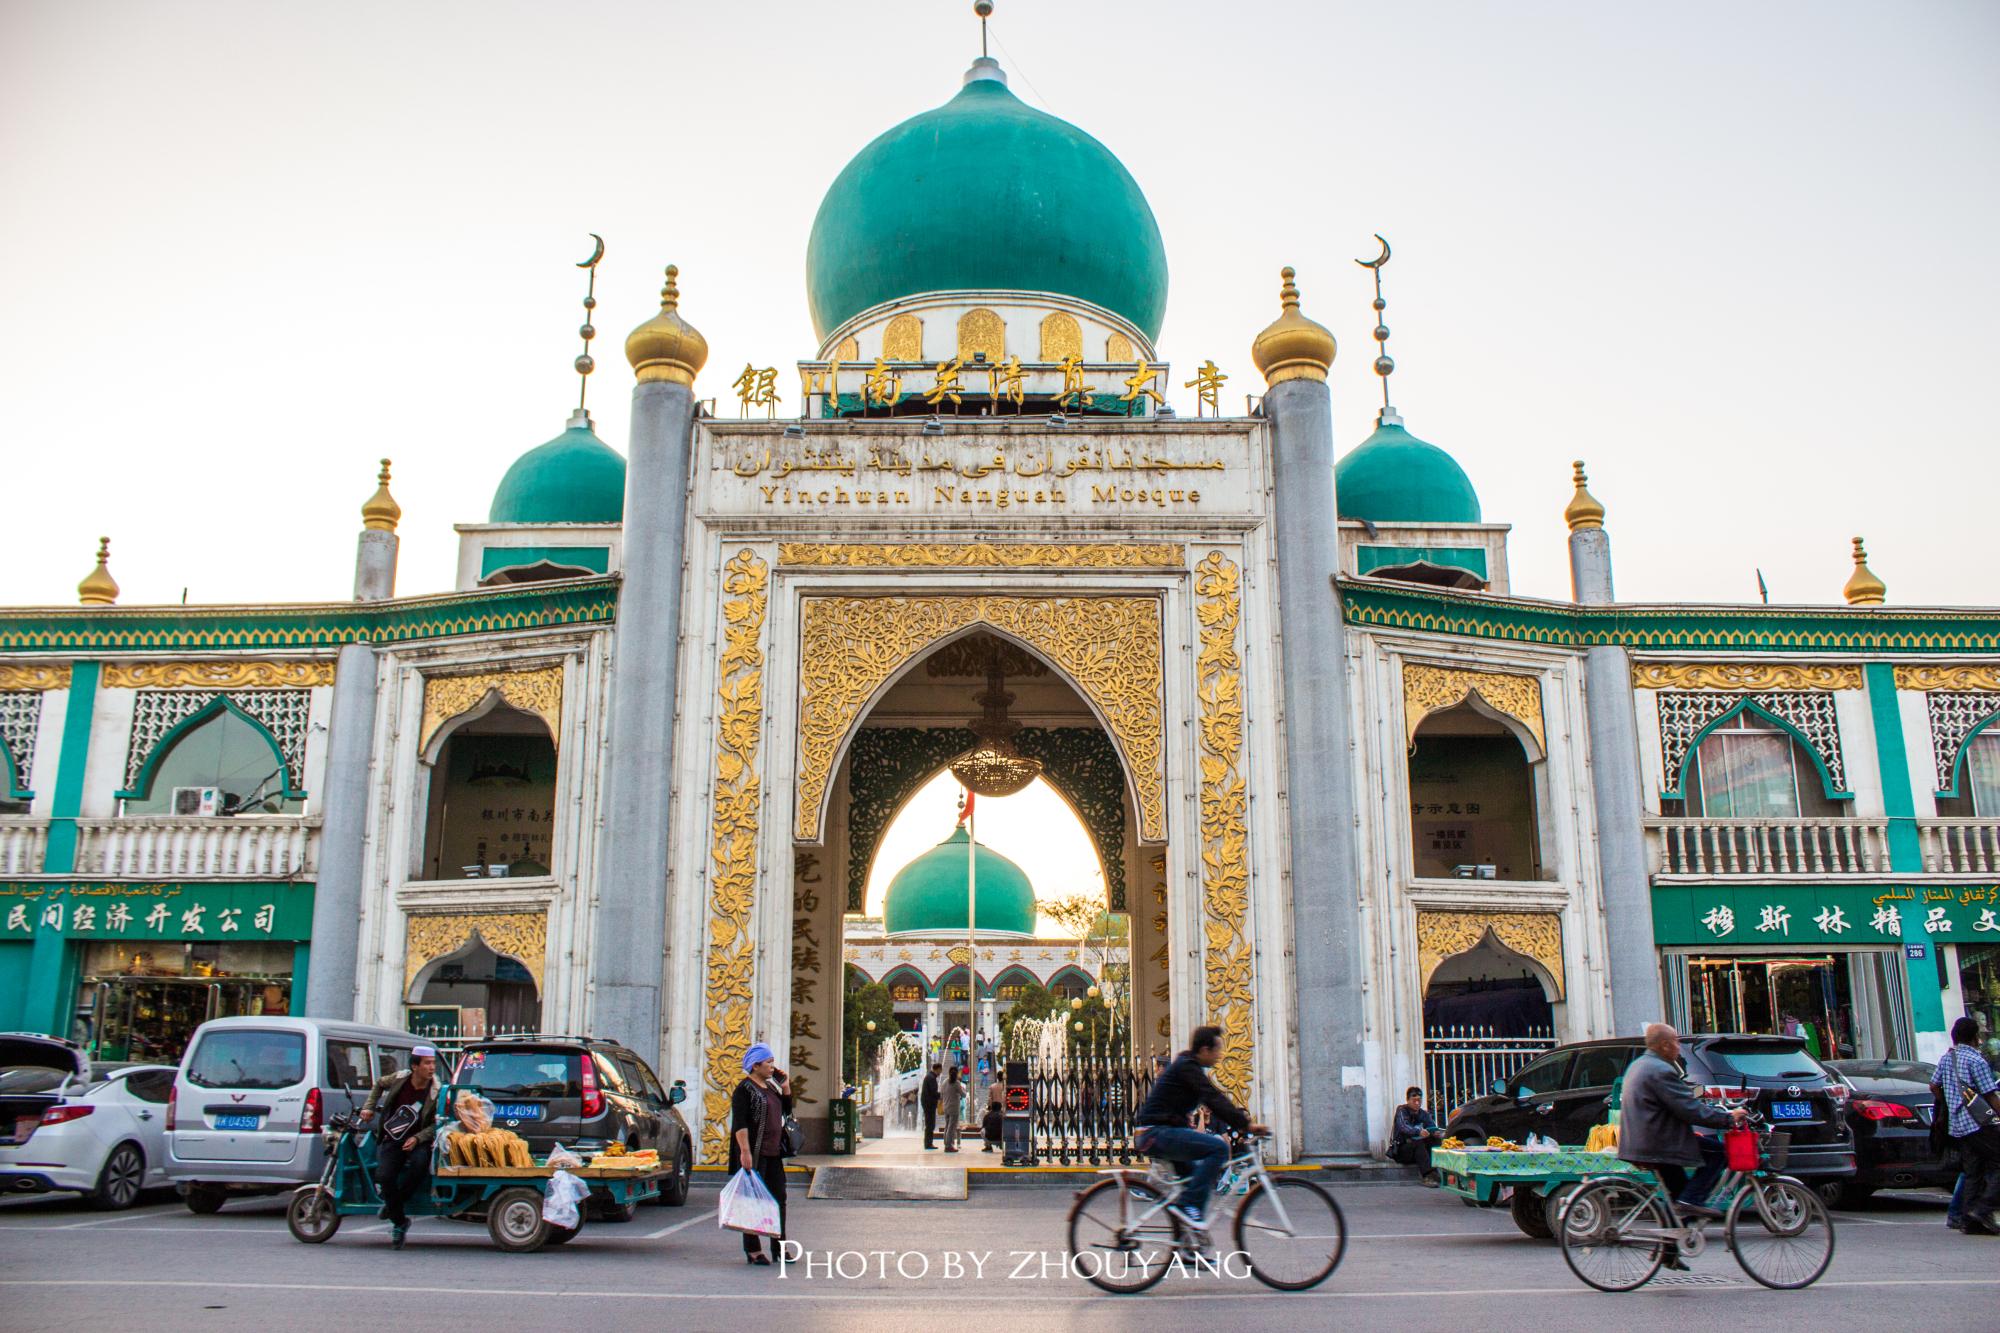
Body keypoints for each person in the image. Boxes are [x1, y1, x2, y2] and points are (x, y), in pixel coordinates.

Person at [1618, 1023, 1747, 1269]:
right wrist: (1727, 1118)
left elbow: (1680, 1097)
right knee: (1717, 1152)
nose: (1678, 1047)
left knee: (1677, 1192)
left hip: (1646, 1140)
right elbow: (1688, 1108)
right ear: (1665, 1045)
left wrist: (1706, 1100)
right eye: (1676, 1042)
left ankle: (1668, 1250)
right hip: (1659, 1143)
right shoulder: (1661, 1070)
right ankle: (1692, 1202)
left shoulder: (1642, 1065)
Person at [1133, 1026, 1268, 1238]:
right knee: (1218, 1148)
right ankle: (1189, 1208)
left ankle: (1187, 1244)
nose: (1219, 1055)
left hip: (1159, 1132)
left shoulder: (1187, 1066)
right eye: (1217, 1050)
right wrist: (1246, 1125)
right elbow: (1213, 1098)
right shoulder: (1188, 1067)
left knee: (1193, 1183)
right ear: (1205, 1050)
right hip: (1155, 1133)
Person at [356, 1045, 440, 1250]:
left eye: (433, 1064)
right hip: (393, 1138)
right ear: (415, 1066)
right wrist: (368, 1107)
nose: (431, 1068)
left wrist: (419, 1138)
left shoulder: (436, 1089)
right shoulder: (400, 1079)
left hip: (418, 1141)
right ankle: (400, 1221)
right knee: (384, 1176)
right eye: (427, 1064)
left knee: (419, 1167)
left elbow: (436, 1123)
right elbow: (378, 1084)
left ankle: (394, 1207)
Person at [1931, 1015, 2000, 1236]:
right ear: (1974, 1037)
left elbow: (1933, 1085)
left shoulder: (1947, 1059)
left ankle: (1968, 1219)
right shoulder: (1976, 1061)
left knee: (1973, 1171)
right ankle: (1983, 1209)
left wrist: (1949, 1103)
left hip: (1958, 1125)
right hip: (1979, 1123)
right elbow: (1990, 1095)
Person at [730, 1043, 793, 1266]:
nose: (772, 1067)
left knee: (779, 1199)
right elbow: (740, 1123)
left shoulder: (771, 1087)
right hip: (754, 1153)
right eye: (769, 1063)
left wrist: (785, 1087)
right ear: (755, 1065)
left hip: (773, 1152)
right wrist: (745, 1152)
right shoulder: (744, 1090)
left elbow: (786, 1111)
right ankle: (753, 1249)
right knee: (752, 1201)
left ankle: (779, 1245)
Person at [1390, 1086, 1444, 1181]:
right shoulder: (1402, 1110)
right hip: (1402, 1151)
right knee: (1417, 1143)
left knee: (1436, 1140)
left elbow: (1431, 1126)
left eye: (1419, 1100)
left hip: (1419, 1152)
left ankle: (1441, 1168)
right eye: (1414, 1100)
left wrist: (1434, 1133)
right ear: (1408, 1100)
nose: (1417, 1103)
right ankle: (1428, 1175)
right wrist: (1418, 1131)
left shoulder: (1423, 1113)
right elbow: (1404, 1127)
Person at [940, 1065, 964, 1152]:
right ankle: (949, 1145)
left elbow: (941, 1094)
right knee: (951, 1127)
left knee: (947, 1126)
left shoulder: (944, 1082)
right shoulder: (957, 1083)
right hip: (954, 1108)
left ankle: (946, 1142)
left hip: (946, 1107)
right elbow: (963, 1094)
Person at [920, 1062, 941, 1150]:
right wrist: (942, 1095)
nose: (940, 1072)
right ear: (938, 1069)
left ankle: (928, 1143)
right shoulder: (931, 1078)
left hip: (927, 1104)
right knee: (930, 1124)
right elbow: (933, 1093)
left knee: (929, 1124)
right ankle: (928, 1143)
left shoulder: (929, 1076)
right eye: (940, 1070)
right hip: (929, 1104)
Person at [983, 1078, 1005, 1153]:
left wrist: (989, 1106)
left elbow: (990, 1098)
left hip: (994, 1107)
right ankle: (1003, 1144)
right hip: (1003, 1108)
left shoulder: (992, 1086)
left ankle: (988, 1146)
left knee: (983, 1130)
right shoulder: (1005, 1086)